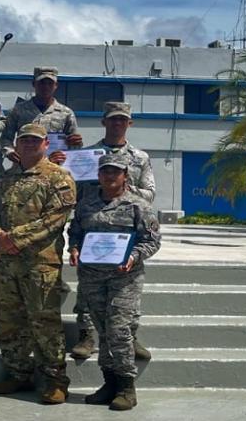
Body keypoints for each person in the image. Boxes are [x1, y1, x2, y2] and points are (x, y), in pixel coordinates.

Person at [0, 123, 77, 404]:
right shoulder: (3, 180)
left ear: (46, 144)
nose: (29, 144)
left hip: (40, 264)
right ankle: (17, 372)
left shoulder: (59, 178)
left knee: (44, 323)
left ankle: (55, 380)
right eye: (24, 140)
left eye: (35, 141)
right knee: (10, 320)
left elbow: (54, 219)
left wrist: (15, 238)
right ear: (16, 143)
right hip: (6, 264)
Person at [67, 152, 161, 411]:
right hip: (92, 277)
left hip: (124, 278)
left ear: (125, 175)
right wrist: (74, 248)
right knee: (104, 331)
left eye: (115, 171)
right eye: (105, 171)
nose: (110, 175)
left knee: (119, 330)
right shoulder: (86, 203)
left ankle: (126, 387)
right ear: (98, 174)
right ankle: (109, 383)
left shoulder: (137, 205)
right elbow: (75, 231)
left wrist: (133, 256)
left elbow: (152, 241)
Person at [69, 101, 156, 361]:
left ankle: (129, 336)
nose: (117, 123)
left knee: (127, 287)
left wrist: (120, 189)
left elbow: (150, 194)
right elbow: (72, 190)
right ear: (103, 122)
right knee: (88, 286)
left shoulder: (140, 158)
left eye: (122, 119)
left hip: (124, 229)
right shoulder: (87, 154)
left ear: (129, 123)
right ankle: (87, 335)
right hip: (91, 223)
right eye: (112, 119)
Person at [0, 66, 82, 163]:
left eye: (50, 83)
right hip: (24, 165)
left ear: (56, 85)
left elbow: (74, 144)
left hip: (55, 167)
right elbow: (6, 138)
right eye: (42, 83)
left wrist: (76, 142)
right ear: (34, 84)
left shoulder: (66, 113)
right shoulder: (18, 110)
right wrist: (9, 152)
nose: (46, 87)